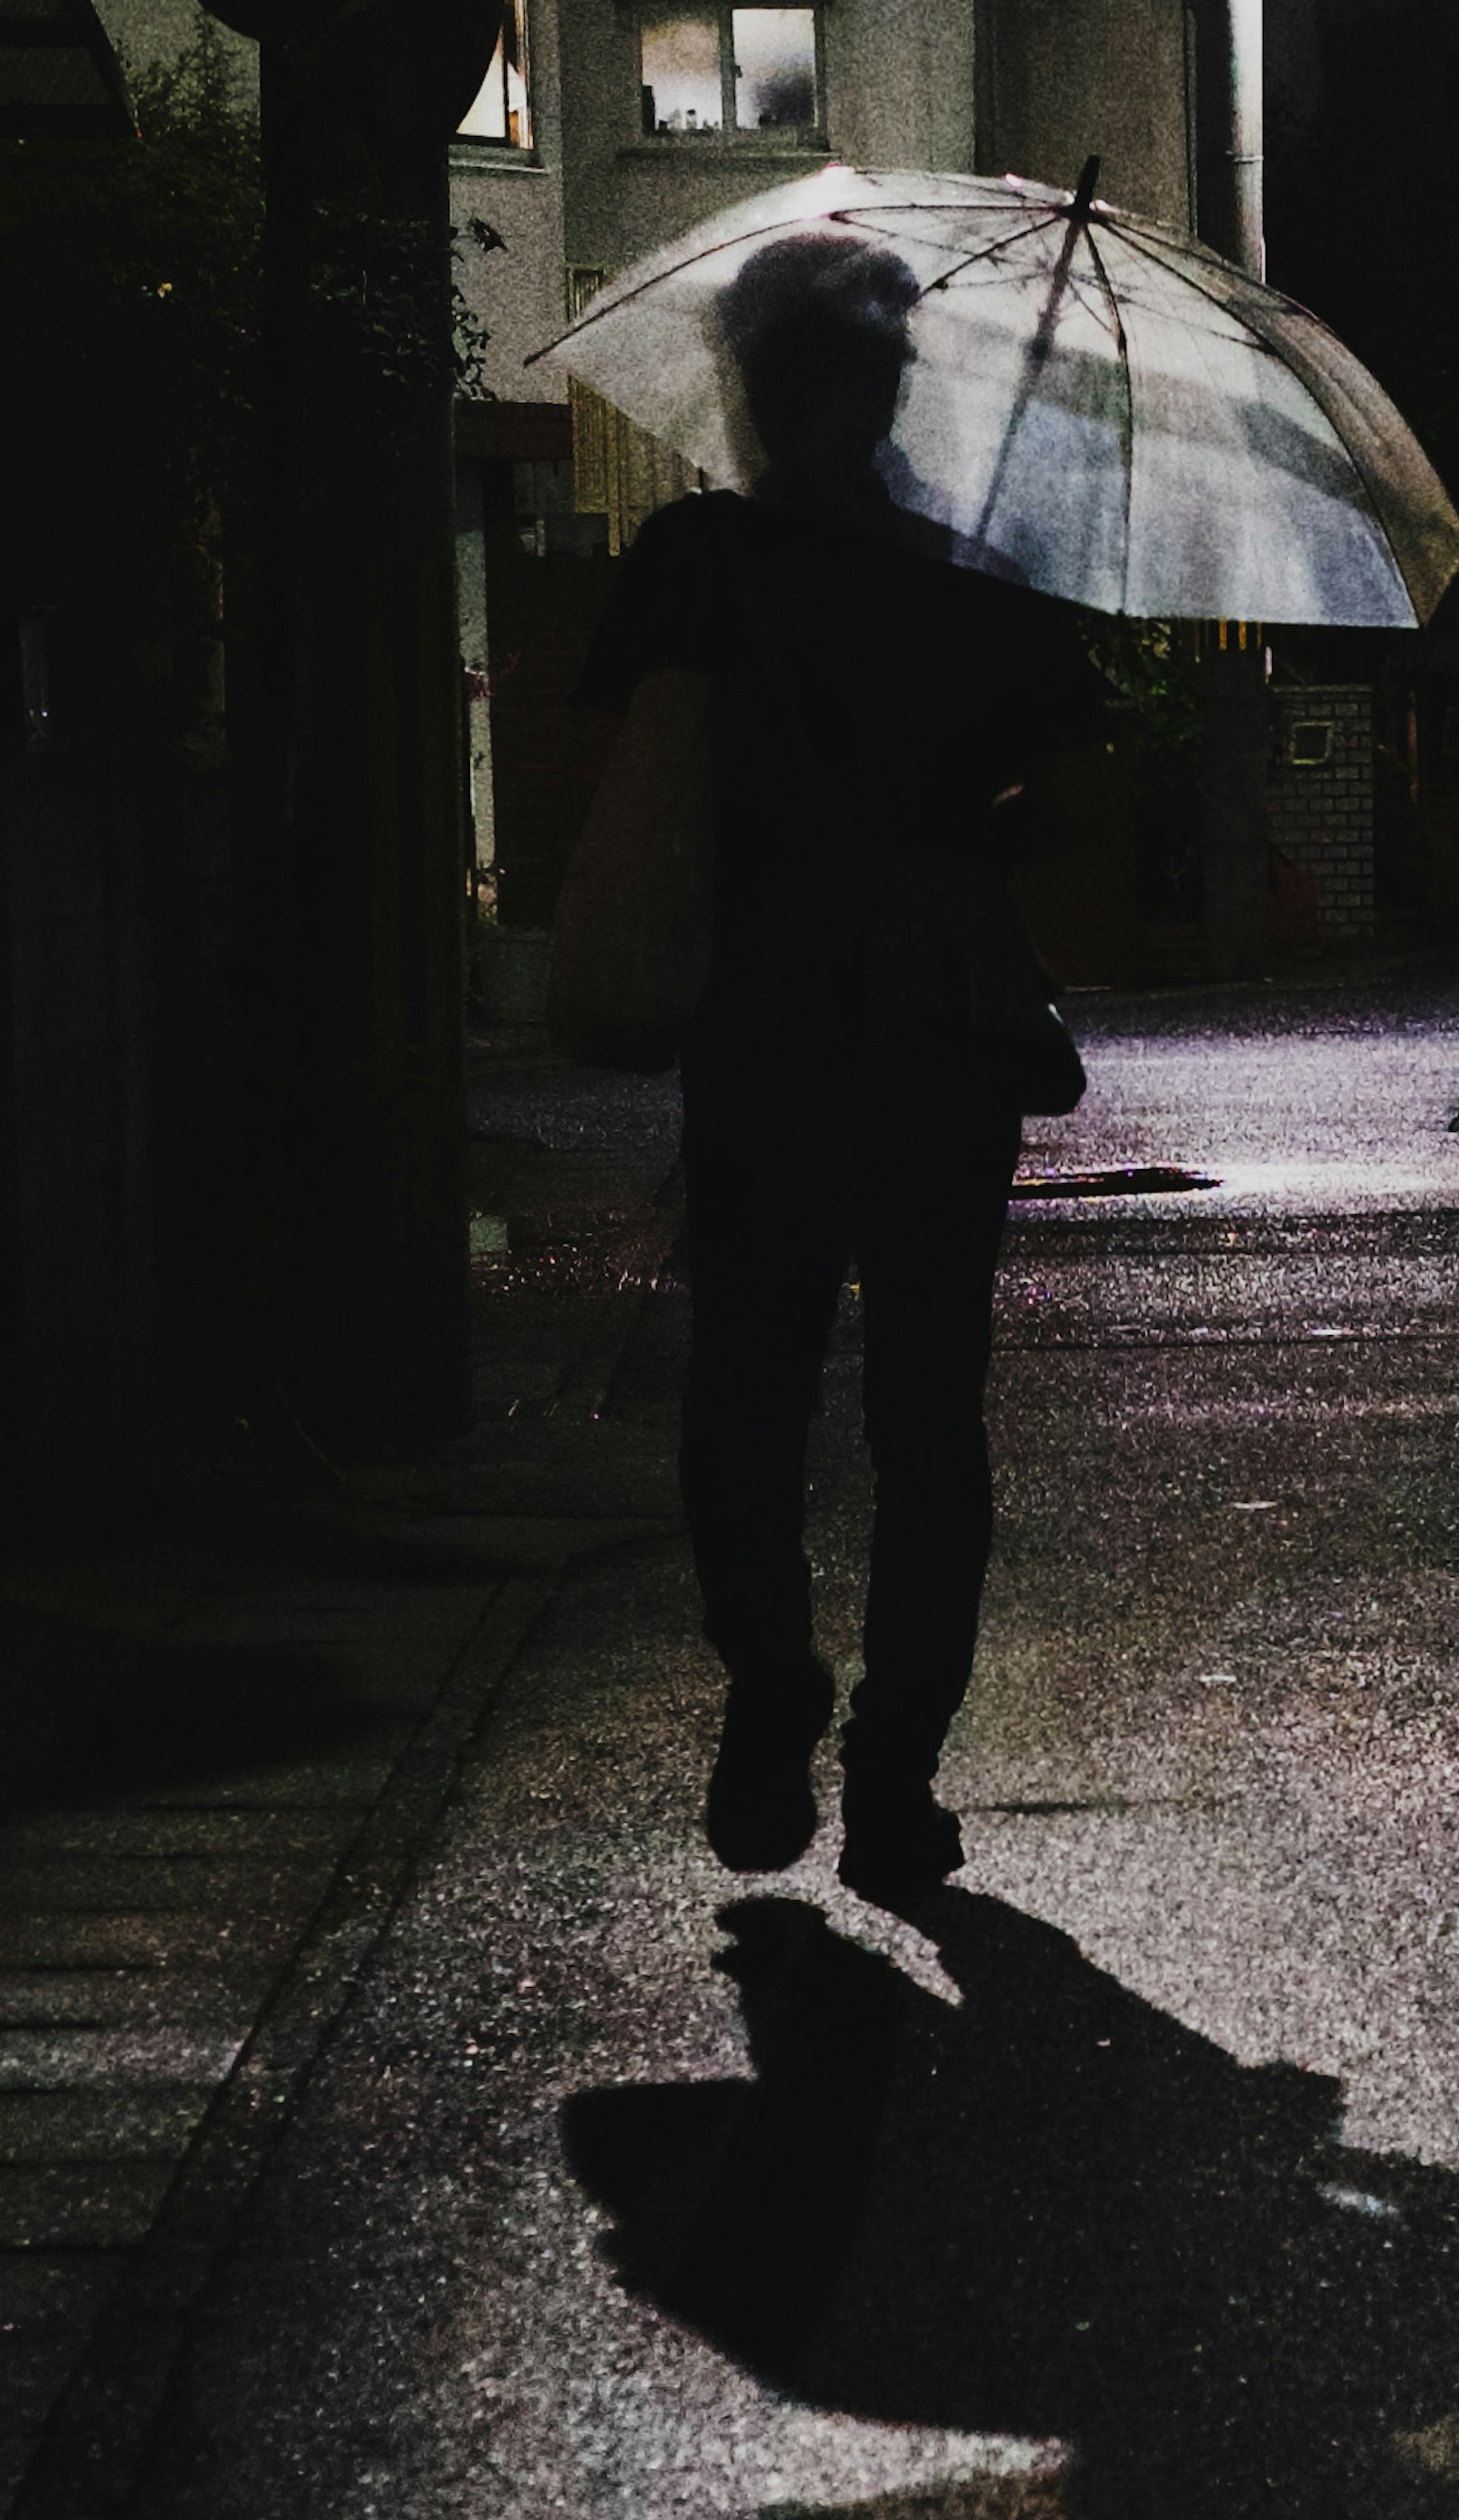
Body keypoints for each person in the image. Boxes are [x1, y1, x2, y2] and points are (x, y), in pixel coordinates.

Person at [576, 240, 1104, 1912]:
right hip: (940, 1044)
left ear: (749, 381)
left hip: (765, 1040)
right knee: (927, 1414)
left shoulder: (698, 564)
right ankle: (894, 1770)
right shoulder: (979, 571)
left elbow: (636, 778)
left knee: (748, 1387)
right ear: (891, 383)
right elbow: (1067, 812)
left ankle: (770, 1681)